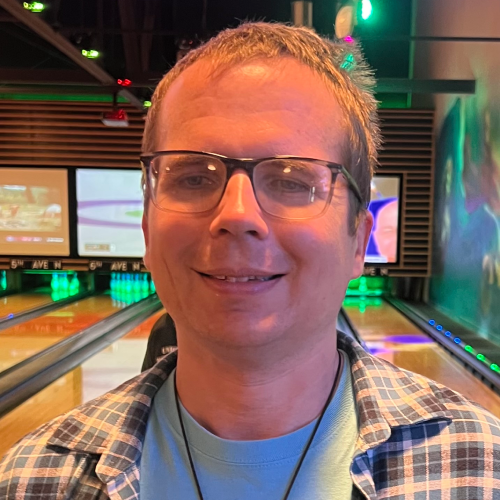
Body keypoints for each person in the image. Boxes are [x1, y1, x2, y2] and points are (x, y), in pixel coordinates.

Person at [2, 22, 500, 500]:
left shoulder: (482, 471)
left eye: (292, 181)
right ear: (147, 230)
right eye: (193, 177)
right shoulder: (30, 482)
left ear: (358, 242)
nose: (237, 215)